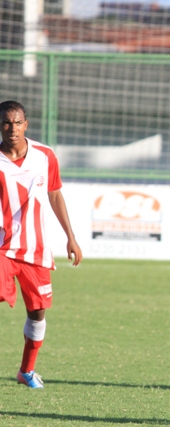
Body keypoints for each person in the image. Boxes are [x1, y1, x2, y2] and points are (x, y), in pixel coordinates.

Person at [0, 100, 83, 389]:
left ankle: (26, 371)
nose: (12, 128)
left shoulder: (45, 155)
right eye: (6, 123)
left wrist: (70, 237)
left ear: (26, 124)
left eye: (18, 122)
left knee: (37, 313)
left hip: (36, 251)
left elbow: (55, 194)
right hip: (2, 248)